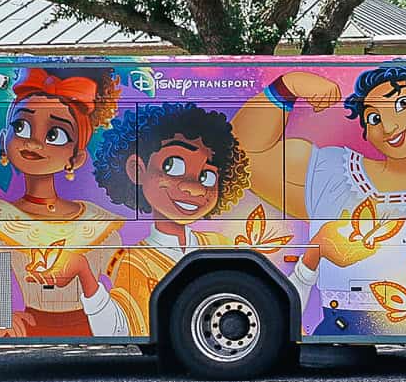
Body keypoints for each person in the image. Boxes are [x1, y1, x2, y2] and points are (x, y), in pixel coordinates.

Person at [231, 62, 406, 335]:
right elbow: (245, 158)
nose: (388, 126)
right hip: (335, 325)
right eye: (373, 117)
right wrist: (284, 88)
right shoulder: (333, 173)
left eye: (403, 104)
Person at [42, 102, 254, 337]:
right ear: (137, 170)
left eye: (206, 176)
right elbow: (117, 331)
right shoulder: (135, 261)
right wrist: (84, 272)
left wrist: (305, 270)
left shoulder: (219, 245)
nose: (194, 189)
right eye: (173, 166)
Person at [0, 66, 123, 337]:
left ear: (75, 158)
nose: (34, 143)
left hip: (92, 325)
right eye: (22, 126)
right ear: (4, 141)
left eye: (55, 134)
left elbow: (130, 292)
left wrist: (83, 271)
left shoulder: (99, 223)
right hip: (27, 327)